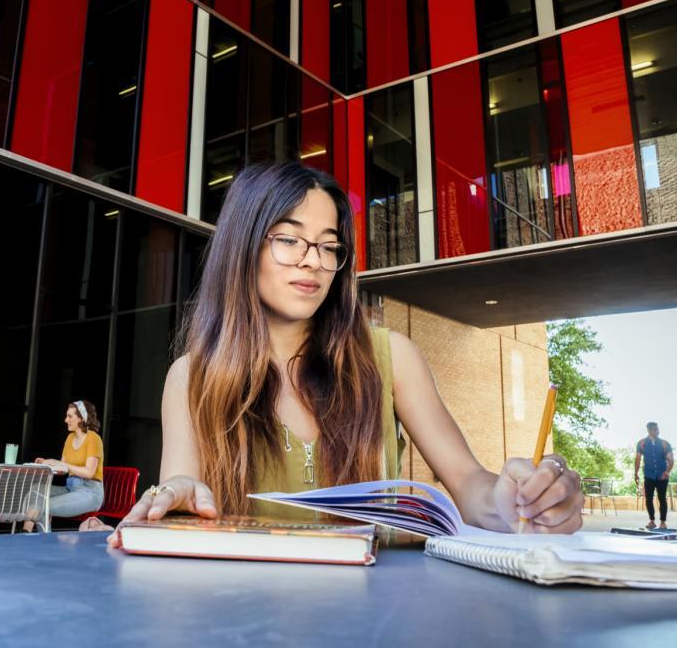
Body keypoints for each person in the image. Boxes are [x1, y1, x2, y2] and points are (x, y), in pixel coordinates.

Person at [107, 163, 583, 548]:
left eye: (329, 246)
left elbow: (470, 484)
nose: (313, 260)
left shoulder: (390, 356)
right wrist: (173, 499)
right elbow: (182, 485)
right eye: (289, 239)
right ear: (243, 246)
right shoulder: (191, 377)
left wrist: (515, 501)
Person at [22, 400, 105, 531]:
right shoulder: (70, 438)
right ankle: (26, 532)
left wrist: (62, 463)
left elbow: (89, 472)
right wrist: (48, 463)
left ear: (82, 418)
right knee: (36, 489)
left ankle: (35, 539)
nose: (66, 420)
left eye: (70, 416)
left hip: (90, 492)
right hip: (70, 488)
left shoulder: (93, 438)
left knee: (43, 506)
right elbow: (63, 470)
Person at [634, 422, 673, 529]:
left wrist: (667, 471)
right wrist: (636, 473)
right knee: (648, 498)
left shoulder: (665, 444)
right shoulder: (642, 443)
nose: (655, 431)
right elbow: (638, 459)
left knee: (662, 498)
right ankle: (651, 521)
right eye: (653, 429)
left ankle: (663, 522)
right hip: (649, 475)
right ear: (649, 430)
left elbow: (671, 460)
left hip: (662, 475)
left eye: (656, 429)